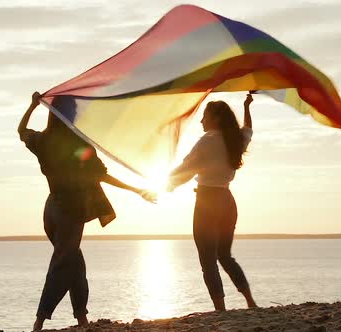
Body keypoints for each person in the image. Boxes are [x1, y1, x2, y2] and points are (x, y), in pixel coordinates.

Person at [18, 92, 155, 331]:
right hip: (70, 211)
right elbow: (102, 175)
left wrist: (32, 106)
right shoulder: (78, 146)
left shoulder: (43, 141)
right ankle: (39, 322)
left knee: (74, 264)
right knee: (63, 264)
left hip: (51, 210)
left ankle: (81, 318)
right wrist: (136, 190)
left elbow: (21, 131)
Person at [167, 93, 257, 311]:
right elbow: (248, 130)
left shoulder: (206, 142)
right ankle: (250, 302)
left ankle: (220, 308)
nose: (201, 121)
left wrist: (162, 186)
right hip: (227, 201)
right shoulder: (235, 140)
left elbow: (185, 169)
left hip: (207, 201)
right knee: (225, 256)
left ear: (216, 118)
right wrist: (247, 107)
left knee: (208, 259)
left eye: (204, 116)